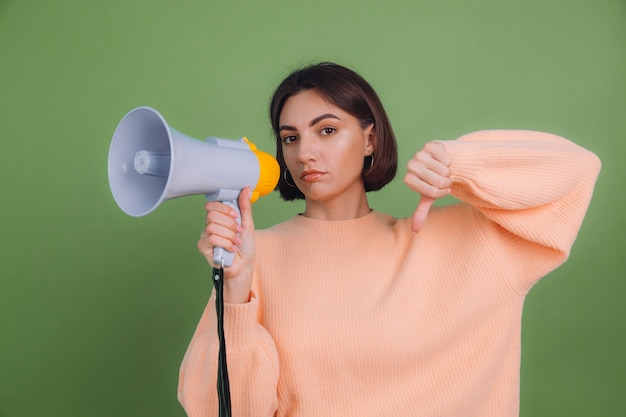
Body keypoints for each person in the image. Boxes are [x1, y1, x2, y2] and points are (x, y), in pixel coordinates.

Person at [177, 62, 601, 417]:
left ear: (370, 138)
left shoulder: (460, 244)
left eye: (326, 130)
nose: (304, 152)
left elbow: (576, 172)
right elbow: (223, 408)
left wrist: (461, 164)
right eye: (291, 137)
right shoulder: (254, 256)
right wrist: (234, 294)